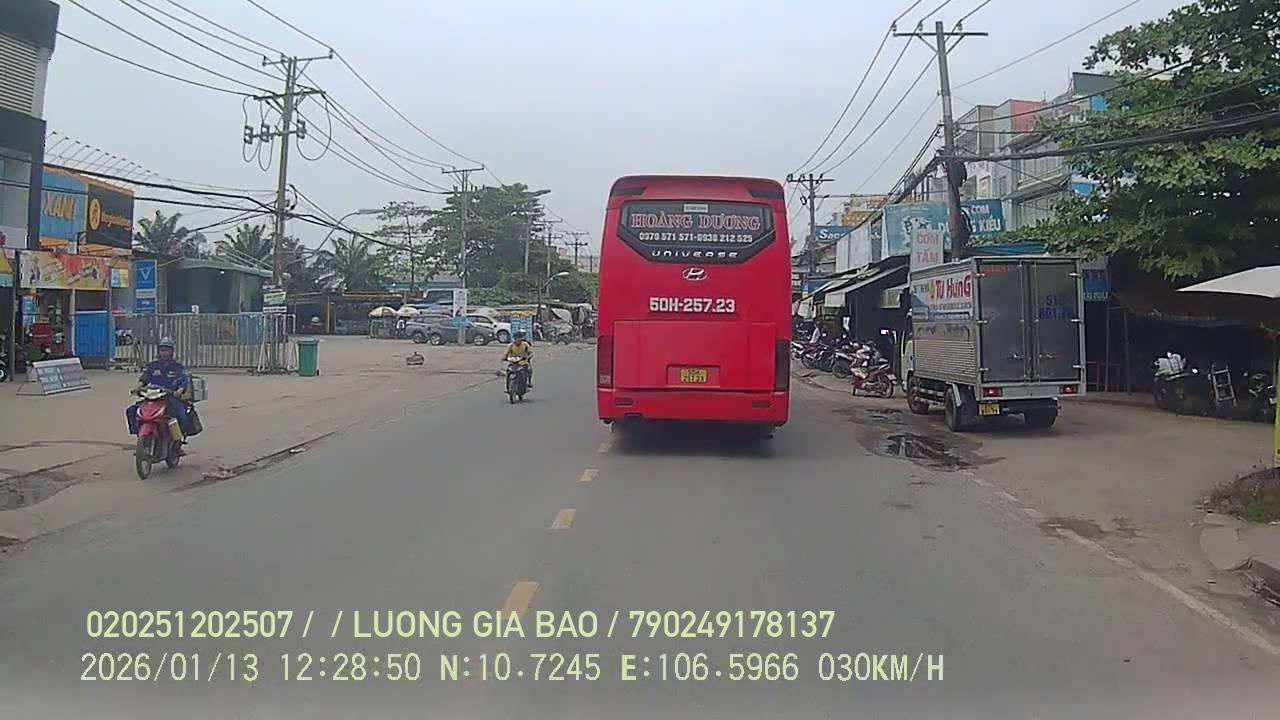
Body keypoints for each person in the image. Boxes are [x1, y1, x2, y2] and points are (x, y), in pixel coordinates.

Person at [126, 337, 195, 439]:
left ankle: (179, 438)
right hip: (152, 397)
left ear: (172, 351)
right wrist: (137, 388)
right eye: (162, 350)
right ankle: (138, 433)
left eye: (167, 350)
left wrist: (179, 391)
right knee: (131, 411)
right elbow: (144, 379)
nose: (164, 353)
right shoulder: (153, 366)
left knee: (181, 415)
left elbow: (183, 381)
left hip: (170, 398)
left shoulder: (178, 367)